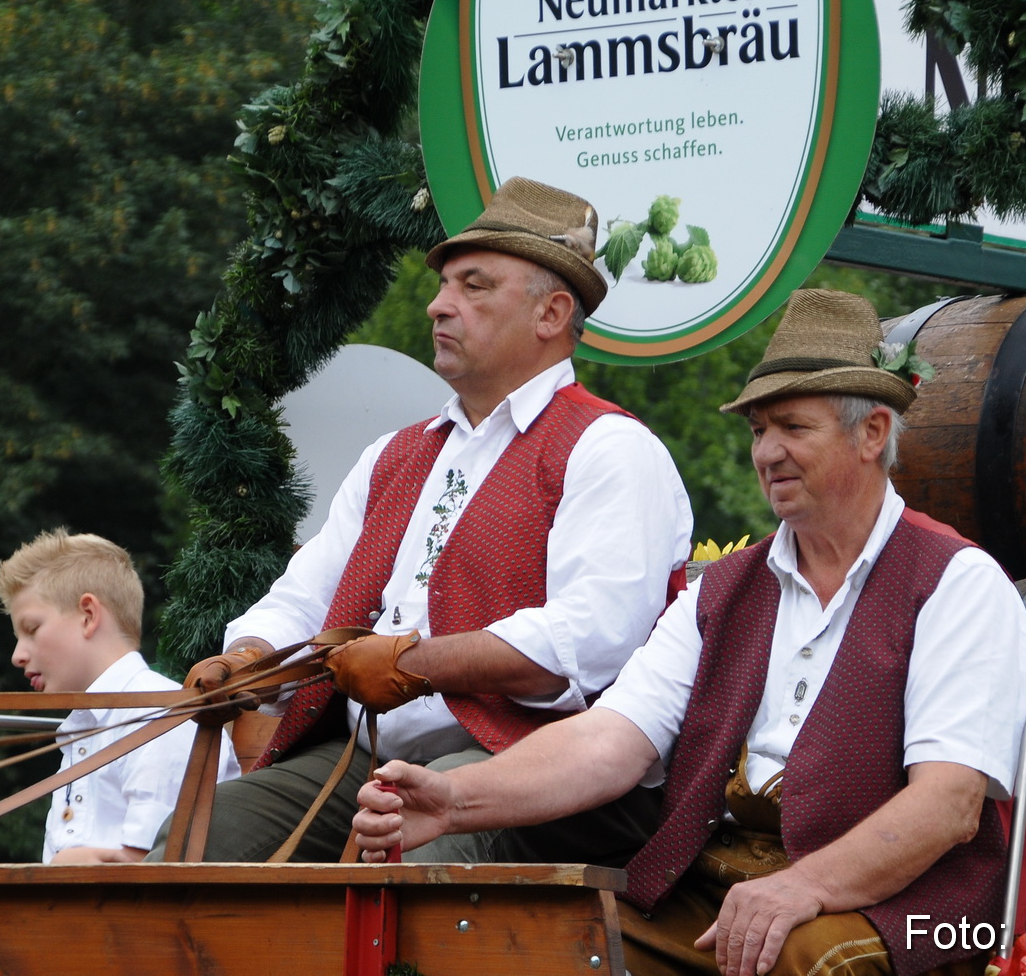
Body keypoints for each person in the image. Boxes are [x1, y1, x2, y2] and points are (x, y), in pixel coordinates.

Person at [353, 289, 1026, 976]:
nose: (766, 451)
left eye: (792, 426)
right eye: (757, 430)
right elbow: (610, 739)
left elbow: (946, 804)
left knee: (805, 960)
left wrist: (802, 887)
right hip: (716, 890)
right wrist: (454, 801)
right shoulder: (726, 588)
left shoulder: (957, 582)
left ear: (872, 432)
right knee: (548, 950)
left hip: (895, 907)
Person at [160, 176, 693, 865]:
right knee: (195, 844)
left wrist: (414, 664)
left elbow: (592, 639)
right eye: (442, 285)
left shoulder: (612, 449)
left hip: (534, 768)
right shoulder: (394, 454)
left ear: (552, 312)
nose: (438, 306)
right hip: (372, 761)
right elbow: (307, 593)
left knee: (409, 870)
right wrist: (247, 660)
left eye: (473, 285)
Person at [0, 527, 240, 864]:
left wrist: (65, 867)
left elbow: (160, 864)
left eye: (32, 629)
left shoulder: (163, 715)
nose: (18, 655)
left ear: (88, 616)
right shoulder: (84, 726)